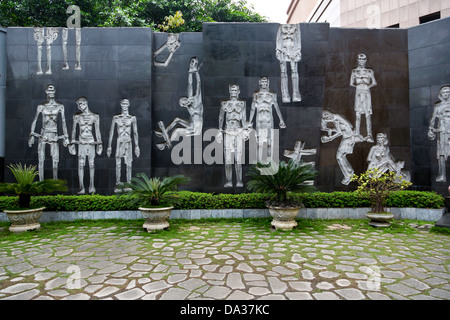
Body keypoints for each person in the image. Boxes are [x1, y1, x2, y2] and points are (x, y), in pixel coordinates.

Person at [155, 57, 203, 150]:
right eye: (183, 102)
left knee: (177, 129)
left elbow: (196, 84)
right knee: (177, 121)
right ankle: (165, 135)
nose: (185, 101)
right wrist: (190, 72)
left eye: (184, 100)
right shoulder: (189, 105)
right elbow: (190, 86)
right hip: (192, 124)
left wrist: (194, 72)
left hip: (197, 127)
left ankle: (166, 141)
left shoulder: (197, 99)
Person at [29, 84, 69, 181]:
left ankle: (55, 180)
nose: (51, 92)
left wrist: (66, 136)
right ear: (46, 91)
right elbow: (35, 120)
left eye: (52, 90)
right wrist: (31, 135)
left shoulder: (60, 106)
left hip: (54, 133)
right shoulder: (41, 106)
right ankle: (41, 180)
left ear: (54, 91)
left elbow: (63, 121)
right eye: (49, 90)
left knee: (55, 159)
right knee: (41, 158)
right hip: (44, 133)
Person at [216, 84, 249, 187]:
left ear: (238, 91)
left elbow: (244, 118)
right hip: (228, 130)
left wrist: (245, 130)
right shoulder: (225, 103)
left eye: (235, 90)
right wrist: (219, 131)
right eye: (232, 90)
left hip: (238, 130)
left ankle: (239, 180)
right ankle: (229, 180)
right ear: (230, 91)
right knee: (228, 158)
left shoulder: (242, 103)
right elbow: (221, 117)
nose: (233, 92)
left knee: (238, 158)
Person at [69, 97, 103, 194]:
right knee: (81, 164)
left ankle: (92, 186)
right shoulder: (77, 116)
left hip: (91, 142)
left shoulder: (95, 116)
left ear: (86, 103)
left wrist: (99, 143)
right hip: (82, 142)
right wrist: (72, 143)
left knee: (92, 164)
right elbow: (73, 130)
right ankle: (81, 187)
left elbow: (97, 131)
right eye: (78, 105)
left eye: (80, 104)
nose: (79, 106)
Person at [248, 77, 285, 164]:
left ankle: (269, 162)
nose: (264, 83)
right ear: (260, 82)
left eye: (265, 81)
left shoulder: (272, 94)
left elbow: (276, 107)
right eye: (262, 81)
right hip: (259, 119)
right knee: (259, 141)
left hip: (269, 119)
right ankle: (258, 162)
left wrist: (281, 120)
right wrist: (249, 121)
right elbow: (253, 109)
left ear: (268, 82)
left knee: (269, 140)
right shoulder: (256, 94)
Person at [107, 99, 140, 192]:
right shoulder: (116, 118)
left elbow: (135, 132)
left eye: (126, 104)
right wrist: (109, 146)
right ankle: (118, 183)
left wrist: (137, 146)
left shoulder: (132, 118)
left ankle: (128, 183)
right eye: (123, 104)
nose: (125, 105)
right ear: (121, 105)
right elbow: (111, 132)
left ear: (128, 105)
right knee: (118, 163)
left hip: (128, 142)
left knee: (129, 164)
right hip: (120, 141)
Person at [320, 110, 356, 185]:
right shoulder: (335, 119)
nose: (326, 115)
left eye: (326, 114)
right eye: (324, 115)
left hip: (349, 138)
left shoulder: (336, 118)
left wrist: (330, 138)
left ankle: (348, 175)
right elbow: (342, 129)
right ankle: (349, 172)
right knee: (341, 157)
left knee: (339, 157)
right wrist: (330, 130)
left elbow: (340, 132)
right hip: (347, 138)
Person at [350, 53, 377, 143]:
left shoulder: (369, 71)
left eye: (363, 59)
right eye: (360, 59)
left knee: (367, 114)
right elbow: (351, 83)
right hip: (358, 93)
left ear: (365, 60)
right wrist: (359, 85)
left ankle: (369, 135)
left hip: (366, 93)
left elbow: (374, 82)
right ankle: (357, 134)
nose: (361, 61)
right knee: (358, 114)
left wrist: (366, 86)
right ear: (358, 60)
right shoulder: (354, 71)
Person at [428, 86, 450, 182]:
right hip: (442, 131)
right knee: (441, 154)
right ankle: (442, 174)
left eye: (447, 92)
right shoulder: (438, 106)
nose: (446, 94)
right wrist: (430, 130)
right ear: (441, 94)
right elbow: (433, 119)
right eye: (444, 92)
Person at [276, 24, 302, 103]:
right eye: (286, 27)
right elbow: (278, 41)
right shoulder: (280, 31)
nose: (288, 29)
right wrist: (279, 50)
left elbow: (298, 40)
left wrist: (297, 51)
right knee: (283, 72)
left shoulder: (296, 31)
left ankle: (295, 93)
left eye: (290, 27)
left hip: (293, 52)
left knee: (294, 72)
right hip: (283, 52)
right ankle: (285, 94)